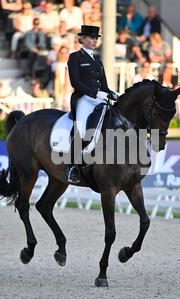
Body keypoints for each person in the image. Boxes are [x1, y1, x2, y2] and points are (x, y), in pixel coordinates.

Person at [65, 25, 119, 183]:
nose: (94, 40)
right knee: (81, 130)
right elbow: (75, 82)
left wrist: (114, 94)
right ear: (82, 39)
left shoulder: (98, 61)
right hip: (82, 99)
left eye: (96, 38)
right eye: (91, 38)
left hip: (98, 99)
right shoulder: (75, 57)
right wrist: (96, 93)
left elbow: (104, 86)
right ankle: (73, 167)